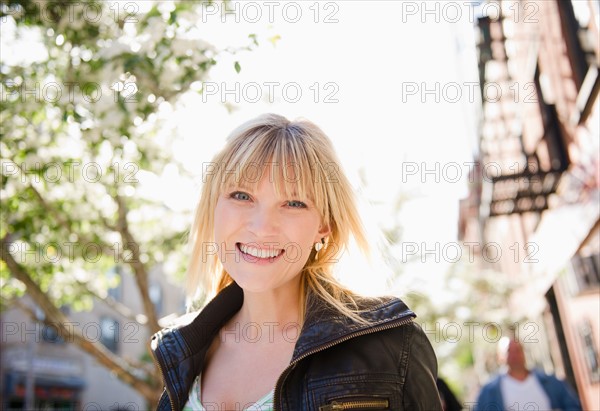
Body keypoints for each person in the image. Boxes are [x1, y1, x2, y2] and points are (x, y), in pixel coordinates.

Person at [150, 114, 442, 411]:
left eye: (293, 203)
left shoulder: (391, 345)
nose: (263, 227)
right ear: (213, 208)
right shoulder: (181, 351)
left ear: (324, 225)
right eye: (242, 196)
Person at [474, 337, 582, 411]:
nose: (514, 355)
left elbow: (573, 406)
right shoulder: (489, 393)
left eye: (518, 350)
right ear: (500, 357)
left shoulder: (551, 382)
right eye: (509, 351)